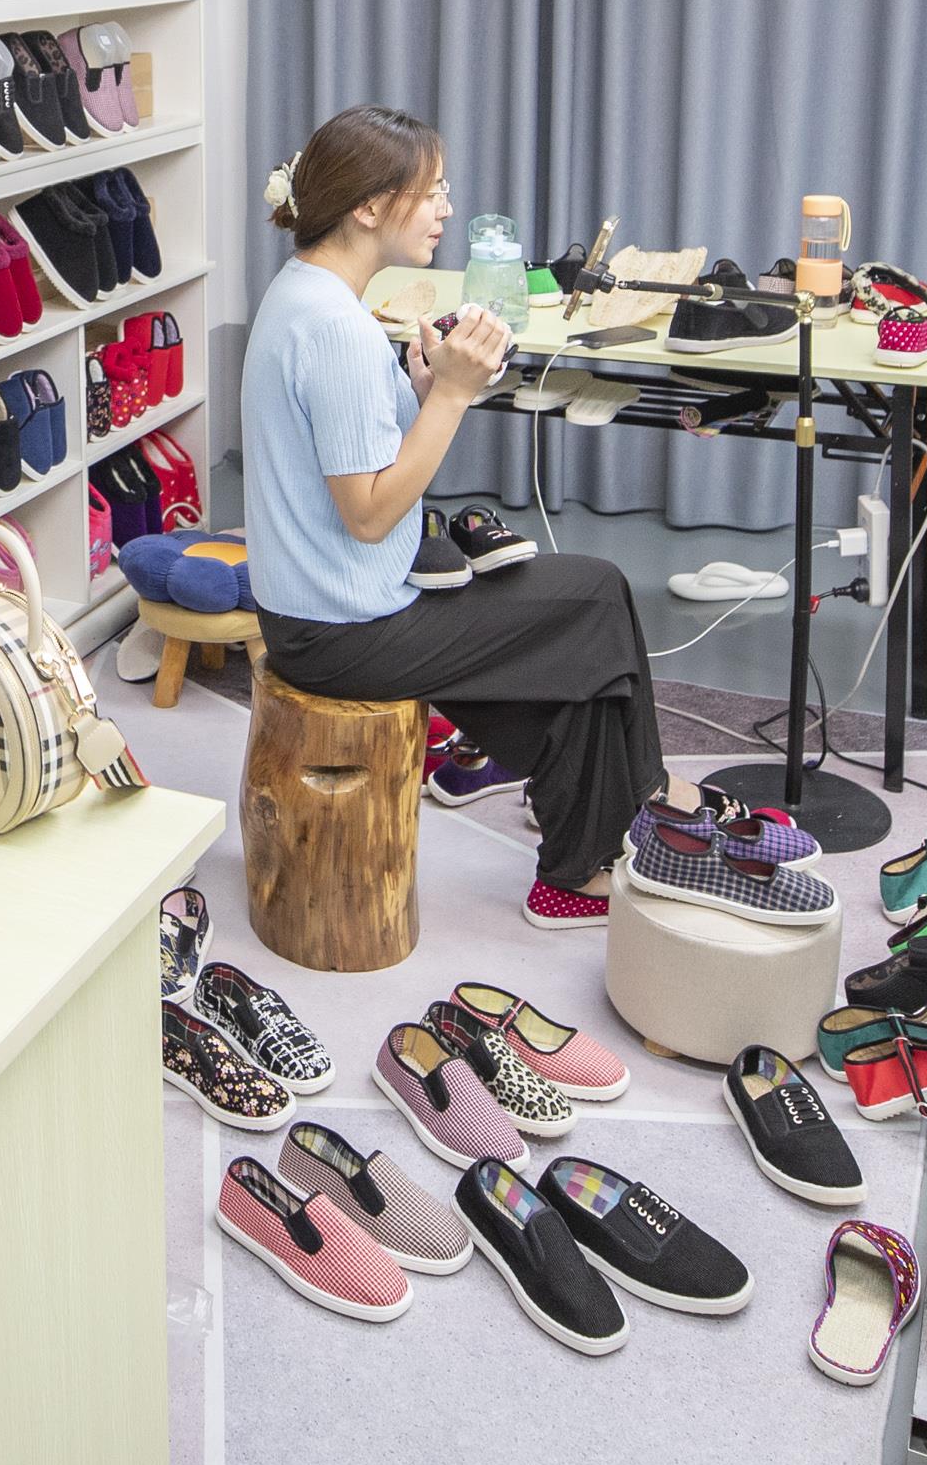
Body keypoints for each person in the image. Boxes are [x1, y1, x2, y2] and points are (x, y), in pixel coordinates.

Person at [240, 106, 667, 922]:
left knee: (583, 631)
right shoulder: (336, 330)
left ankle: (597, 835)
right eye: (431, 192)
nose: (446, 208)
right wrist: (457, 396)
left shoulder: (303, 292)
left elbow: (345, 457)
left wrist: (421, 389)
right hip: (342, 630)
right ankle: (619, 830)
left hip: (316, 609)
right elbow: (368, 514)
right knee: (597, 597)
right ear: (370, 206)